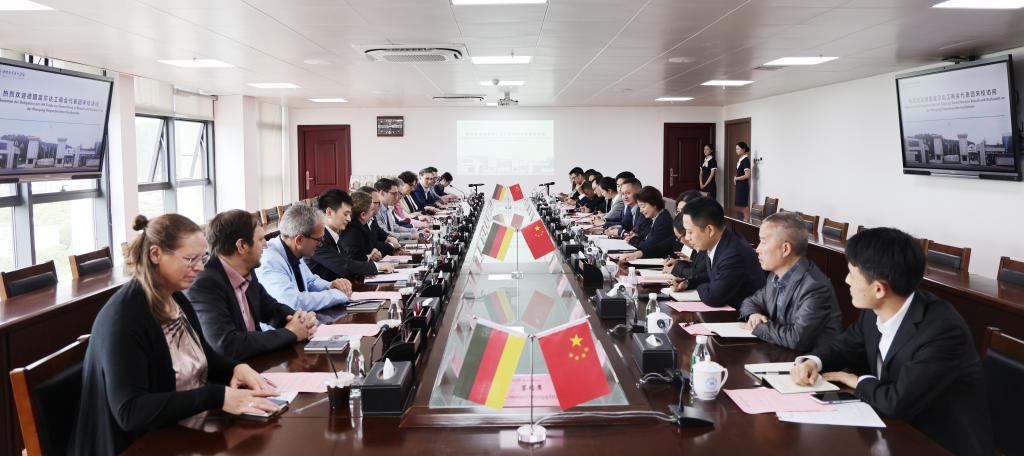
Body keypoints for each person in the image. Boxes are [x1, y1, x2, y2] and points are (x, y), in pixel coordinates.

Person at [71, 214, 280, 455]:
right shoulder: (124, 319)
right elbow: (130, 411)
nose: (200, 267)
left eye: (202, 258)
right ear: (155, 254)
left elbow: (203, 355)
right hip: (140, 444)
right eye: (190, 259)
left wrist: (235, 368)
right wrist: (217, 396)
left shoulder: (175, 296)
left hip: (183, 428)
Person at [790, 227, 992, 456]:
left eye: (852, 275)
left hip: (938, 443)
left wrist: (856, 380)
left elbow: (897, 402)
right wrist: (813, 362)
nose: (846, 280)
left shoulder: (942, 331)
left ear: (879, 289)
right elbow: (844, 345)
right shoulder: (875, 310)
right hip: (893, 430)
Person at [188, 210, 318, 360]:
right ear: (242, 245)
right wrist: (291, 333)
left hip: (255, 362)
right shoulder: (204, 285)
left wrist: (300, 320)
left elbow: (270, 309)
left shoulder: (246, 270)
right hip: (232, 370)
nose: (266, 244)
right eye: (260, 239)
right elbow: (227, 345)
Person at [737, 212, 841, 351]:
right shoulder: (775, 276)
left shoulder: (815, 287)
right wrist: (754, 315)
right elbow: (750, 302)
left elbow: (797, 339)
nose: (758, 249)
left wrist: (759, 327)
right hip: (783, 354)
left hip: (811, 361)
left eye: (764, 241)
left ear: (785, 249)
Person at [255, 204, 352, 312]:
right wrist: (337, 295)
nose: (320, 244)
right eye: (319, 240)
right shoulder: (270, 260)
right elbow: (292, 302)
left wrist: (331, 285)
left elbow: (310, 281)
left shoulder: (292, 248)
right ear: (299, 240)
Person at [679, 197, 766, 307]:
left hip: (744, 314)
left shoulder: (733, 253)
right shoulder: (720, 240)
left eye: (690, 232)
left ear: (710, 230)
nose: (687, 237)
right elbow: (712, 275)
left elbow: (713, 297)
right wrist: (688, 283)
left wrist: (699, 287)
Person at [307, 189, 395, 281]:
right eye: (345, 214)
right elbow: (344, 266)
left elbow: (348, 261)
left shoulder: (333, 234)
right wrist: (377, 266)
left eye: (349, 214)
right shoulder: (317, 238)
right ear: (329, 212)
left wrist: (368, 258)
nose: (349, 219)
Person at [619, 186, 675, 260]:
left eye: (643, 206)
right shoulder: (652, 218)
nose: (641, 211)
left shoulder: (664, 221)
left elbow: (648, 246)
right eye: (639, 207)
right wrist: (634, 237)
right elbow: (644, 238)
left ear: (654, 204)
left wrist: (633, 239)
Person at [734, 141, 752, 219]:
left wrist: (736, 178)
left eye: (738, 149)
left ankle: (746, 222)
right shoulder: (741, 159)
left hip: (743, 186)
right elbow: (741, 173)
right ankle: (742, 222)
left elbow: (747, 175)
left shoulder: (745, 160)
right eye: (736, 149)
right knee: (739, 206)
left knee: (743, 207)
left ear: (743, 149)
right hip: (739, 185)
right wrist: (736, 178)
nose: (736, 150)